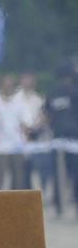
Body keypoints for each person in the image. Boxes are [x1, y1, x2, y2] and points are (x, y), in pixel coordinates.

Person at [0, 73, 28, 190]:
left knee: (18, 175)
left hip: (17, 143)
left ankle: (17, 200)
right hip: (0, 145)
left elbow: (23, 123)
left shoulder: (19, 102)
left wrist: (25, 141)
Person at [45, 63, 78, 215]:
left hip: (58, 136)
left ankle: (59, 206)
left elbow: (46, 114)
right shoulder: (75, 91)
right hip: (74, 137)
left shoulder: (53, 93)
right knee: (75, 172)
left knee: (57, 173)